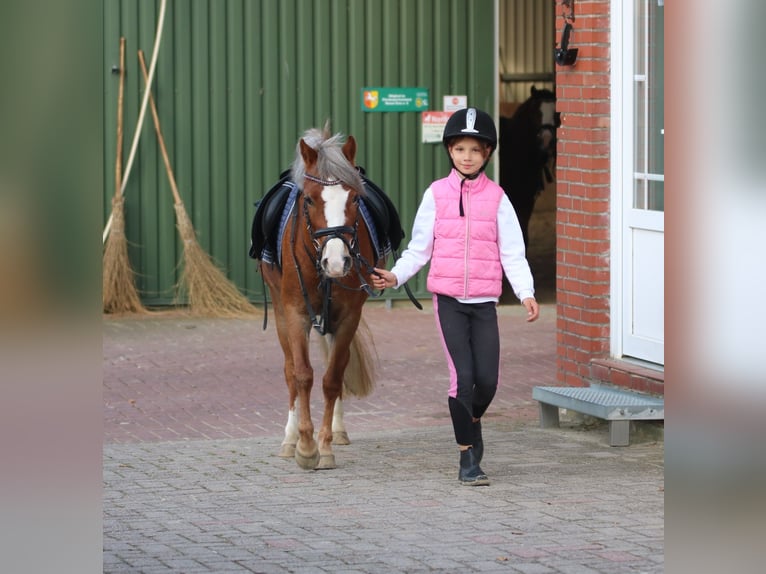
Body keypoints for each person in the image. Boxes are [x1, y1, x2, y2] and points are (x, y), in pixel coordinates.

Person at [372, 107, 540, 486]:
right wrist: (396, 275)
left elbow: (513, 251)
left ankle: (473, 420)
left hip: (483, 302)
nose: (467, 156)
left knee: (489, 382)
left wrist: (525, 292)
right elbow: (419, 248)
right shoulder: (435, 194)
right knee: (462, 379)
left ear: (487, 154)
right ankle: (467, 457)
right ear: (450, 150)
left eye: (475, 150)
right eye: (460, 148)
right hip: (447, 299)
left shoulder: (498, 199)